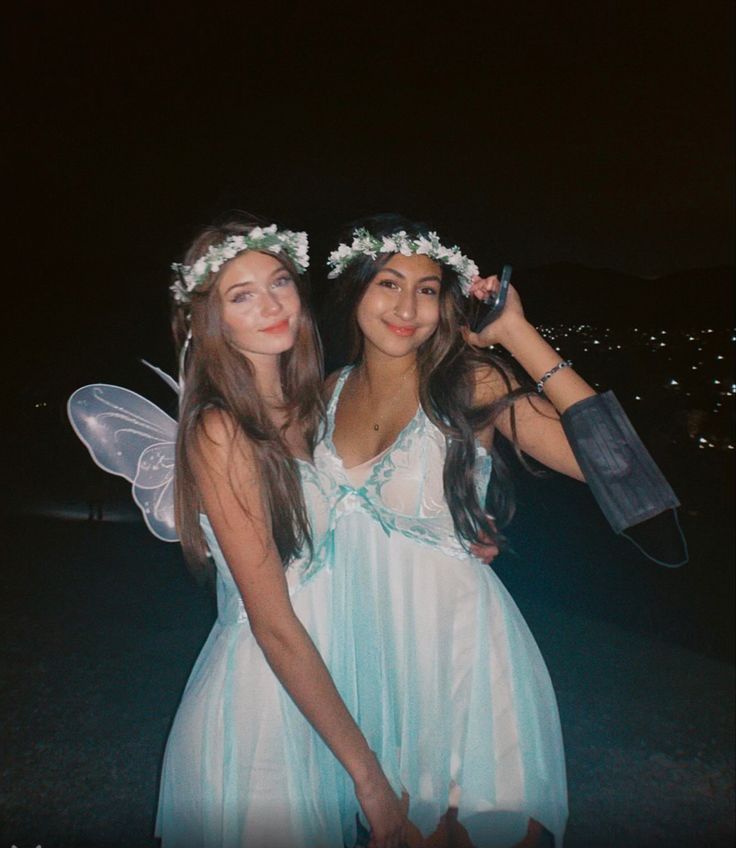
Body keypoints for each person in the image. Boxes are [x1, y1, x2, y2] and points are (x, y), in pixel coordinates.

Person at [316, 214, 656, 847]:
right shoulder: (327, 394)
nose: (407, 307)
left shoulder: (468, 382)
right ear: (354, 291)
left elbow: (620, 467)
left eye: (426, 289)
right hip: (358, 653)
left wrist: (516, 334)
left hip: (456, 654)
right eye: (388, 283)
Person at [70, 217, 409, 848]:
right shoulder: (219, 432)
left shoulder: (315, 407)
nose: (272, 303)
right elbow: (273, 622)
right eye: (241, 294)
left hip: (333, 682)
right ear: (210, 320)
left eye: (279, 281)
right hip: (268, 703)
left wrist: (456, 536)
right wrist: (368, 778)